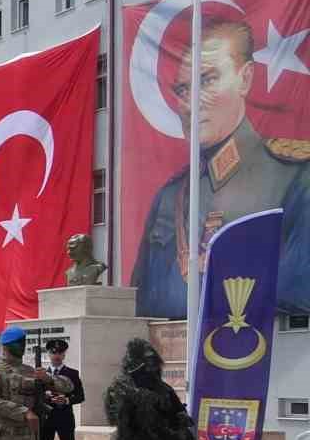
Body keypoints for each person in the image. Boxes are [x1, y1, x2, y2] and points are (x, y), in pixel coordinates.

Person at [132, 17, 310, 319]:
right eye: (183, 90)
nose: (190, 104)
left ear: (245, 78)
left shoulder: (294, 175)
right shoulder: (170, 195)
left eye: (208, 80)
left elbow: (296, 290)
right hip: (169, 355)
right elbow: (141, 299)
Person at [35, 338, 85, 440]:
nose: (57, 356)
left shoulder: (72, 373)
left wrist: (67, 399)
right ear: (49, 354)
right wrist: (46, 396)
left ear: (64, 355)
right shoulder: (42, 374)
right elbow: (34, 395)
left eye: (60, 353)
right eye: (53, 352)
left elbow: (80, 396)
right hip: (47, 418)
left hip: (64, 418)